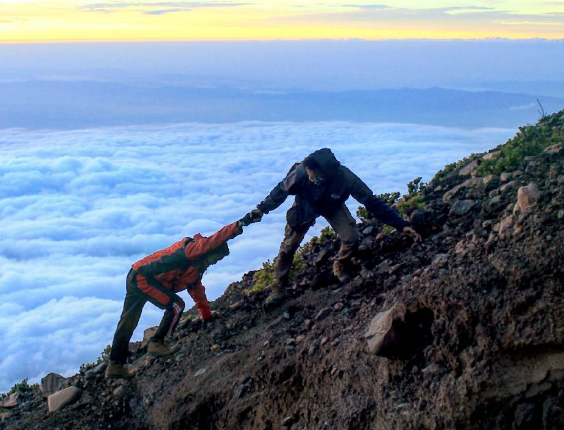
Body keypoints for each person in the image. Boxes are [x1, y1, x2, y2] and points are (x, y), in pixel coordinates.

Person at [246, 148, 422, 305]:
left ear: (326, 173)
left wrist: (401, 225)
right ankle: (278, 287)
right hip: (305, 206)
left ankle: (341, 263)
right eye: (308, 172)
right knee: (289, 246)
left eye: (313, 173)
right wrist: (261, 210)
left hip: (333, 205)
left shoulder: (345, 178)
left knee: (351, 238)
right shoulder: (300, 172)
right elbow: (280, 191)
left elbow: (371, 201)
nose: (309, 175)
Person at [105, 214, 256, 379]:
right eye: (216, 257)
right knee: (176, 306)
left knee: (128, 321)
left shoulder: (196, 267)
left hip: (135, 275)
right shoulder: (194, 250)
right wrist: (240, 225)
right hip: (143, 277)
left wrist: (207, 316)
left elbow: (196, 290)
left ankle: (115, 366)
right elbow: (215, 239)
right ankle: (157, 343)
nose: (215, 261)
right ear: (210, 252)